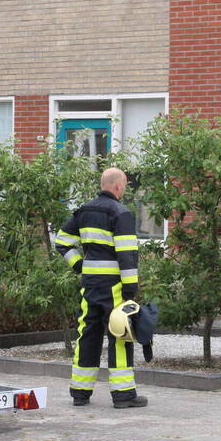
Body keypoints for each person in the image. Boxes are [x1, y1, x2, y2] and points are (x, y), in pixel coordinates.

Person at [54, 168, 146, 409]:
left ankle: (80, 392)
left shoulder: (84, 210)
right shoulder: (121, 213)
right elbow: (127, 254)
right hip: (114, 285)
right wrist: (130, 288)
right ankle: (124, 395)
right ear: (117, 186)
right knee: (120, 333)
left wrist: (79, 266)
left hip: (90, 285)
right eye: (124, 184)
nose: (125, 188)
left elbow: (61, 241)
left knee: (88, 334)